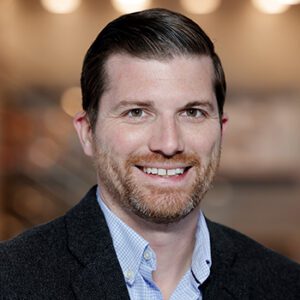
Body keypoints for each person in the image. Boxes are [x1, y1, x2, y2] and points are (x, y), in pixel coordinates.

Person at [0, 8, 299, 299]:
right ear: (87, 133)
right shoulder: (11, 279)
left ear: (221, 130)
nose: (169, 144)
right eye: (137, 112)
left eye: (192, 112)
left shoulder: (285, 285)